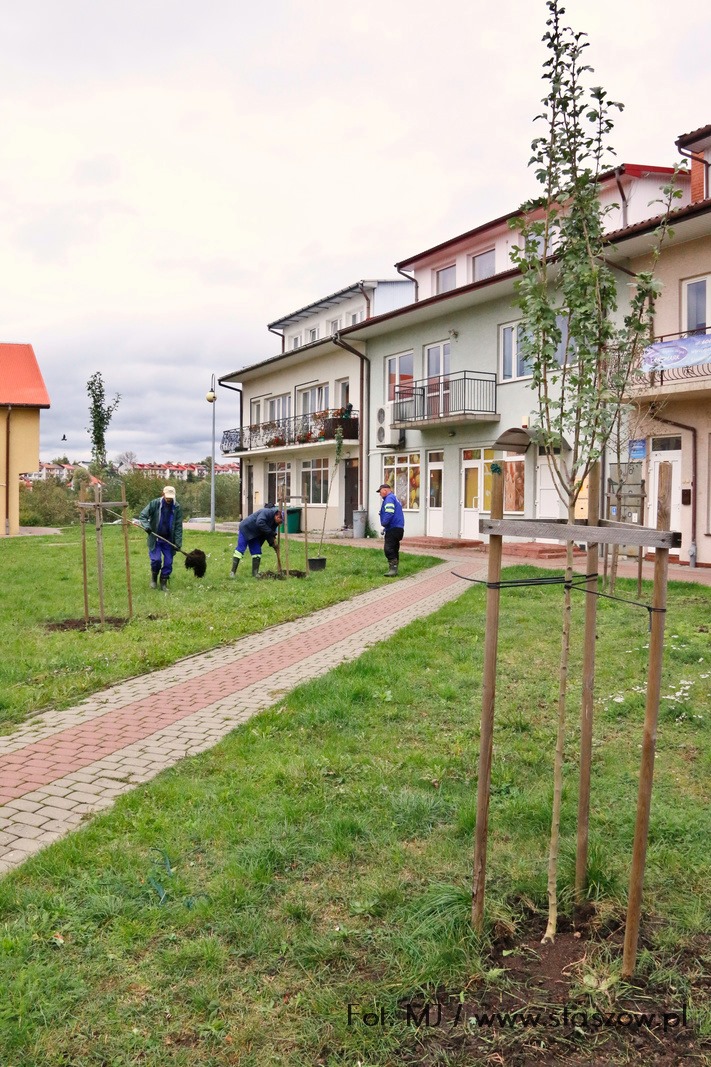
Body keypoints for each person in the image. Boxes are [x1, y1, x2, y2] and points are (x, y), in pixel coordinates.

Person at [139, 486, 183, 590]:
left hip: (168, 540)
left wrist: (178, 543)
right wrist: (147, 526)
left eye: (171, 497)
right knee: (156, 560)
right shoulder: (155, 504)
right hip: (155, 538)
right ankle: (154, 579)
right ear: (163, 494)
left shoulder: (177, 507)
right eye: (167, 497)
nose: (169, 499)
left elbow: (178, 527)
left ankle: (163, 583)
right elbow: (143, 516)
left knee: (168, 562)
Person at [230, 505, 284, 578]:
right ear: (277, 516)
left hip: (254, 534)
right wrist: (271, 532)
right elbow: (260, 523)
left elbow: (268, 534)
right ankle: (232, 572)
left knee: (257, 552)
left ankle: (255, 574)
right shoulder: (266, 512)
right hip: (246, 528)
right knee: (240, 550)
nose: (280, 523)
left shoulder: (275, 523)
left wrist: (273, 545)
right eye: (280, 521)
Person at [377, 483, 404, 577]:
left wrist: (383, 524)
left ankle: (393, 569)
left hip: (393, 528)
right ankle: (395, 569)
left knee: (388, 549)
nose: (380, 495)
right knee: (395, 548)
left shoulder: (389, 498)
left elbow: (389, 513)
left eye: (380, 492)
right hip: (399, 528)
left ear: (385, 490)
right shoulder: (393, 498)